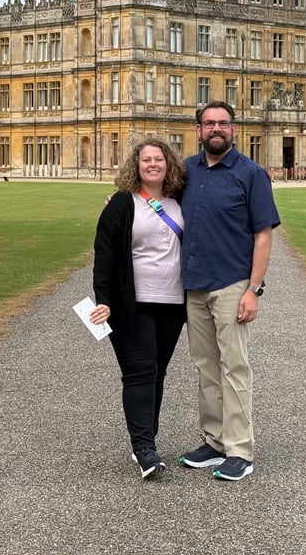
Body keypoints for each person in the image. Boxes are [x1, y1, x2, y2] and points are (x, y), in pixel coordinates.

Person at [178, 101, 280, 482]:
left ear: (234, 130)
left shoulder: (251, 174)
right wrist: (120, 204)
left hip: (232, 284)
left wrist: (253, 289)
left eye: (223, 123)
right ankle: (214, 440)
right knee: (206, 367)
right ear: (199, 130)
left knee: (234, 367)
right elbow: (153, 200)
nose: (215, 129)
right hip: (194, 285)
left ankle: (240, 450)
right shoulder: (186, 170)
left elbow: (263, 234)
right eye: (209, 123)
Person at [91, 137, 187, 480]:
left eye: (158, 159)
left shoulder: (180, 200)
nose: (152, 165)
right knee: (140, 371)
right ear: (136, 164)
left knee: (157, 371)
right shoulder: (120, 203)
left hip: (174, 302)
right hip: (130, 302)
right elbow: (105, 255)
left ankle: (146, 440)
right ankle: (144, 447)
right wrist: (102, 299)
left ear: (169, 165)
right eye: (146, 159)